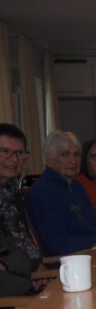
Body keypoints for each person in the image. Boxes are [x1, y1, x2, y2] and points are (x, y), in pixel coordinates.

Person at [25, 131, 96, 256]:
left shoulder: (76, 186)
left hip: (95, 251)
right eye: (65, 155)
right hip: (72, 263)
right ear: (49, 159)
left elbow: (95, 227)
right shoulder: (42, 193)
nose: (73, 161)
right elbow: (57, 244)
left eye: (76, 155)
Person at [0, 123, 40, 296]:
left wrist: (38, 266)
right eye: (5, 151)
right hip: (14, 299)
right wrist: (28, 284)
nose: (14, 159)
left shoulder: (13, 195)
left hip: (30, 281)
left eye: (19, 153)